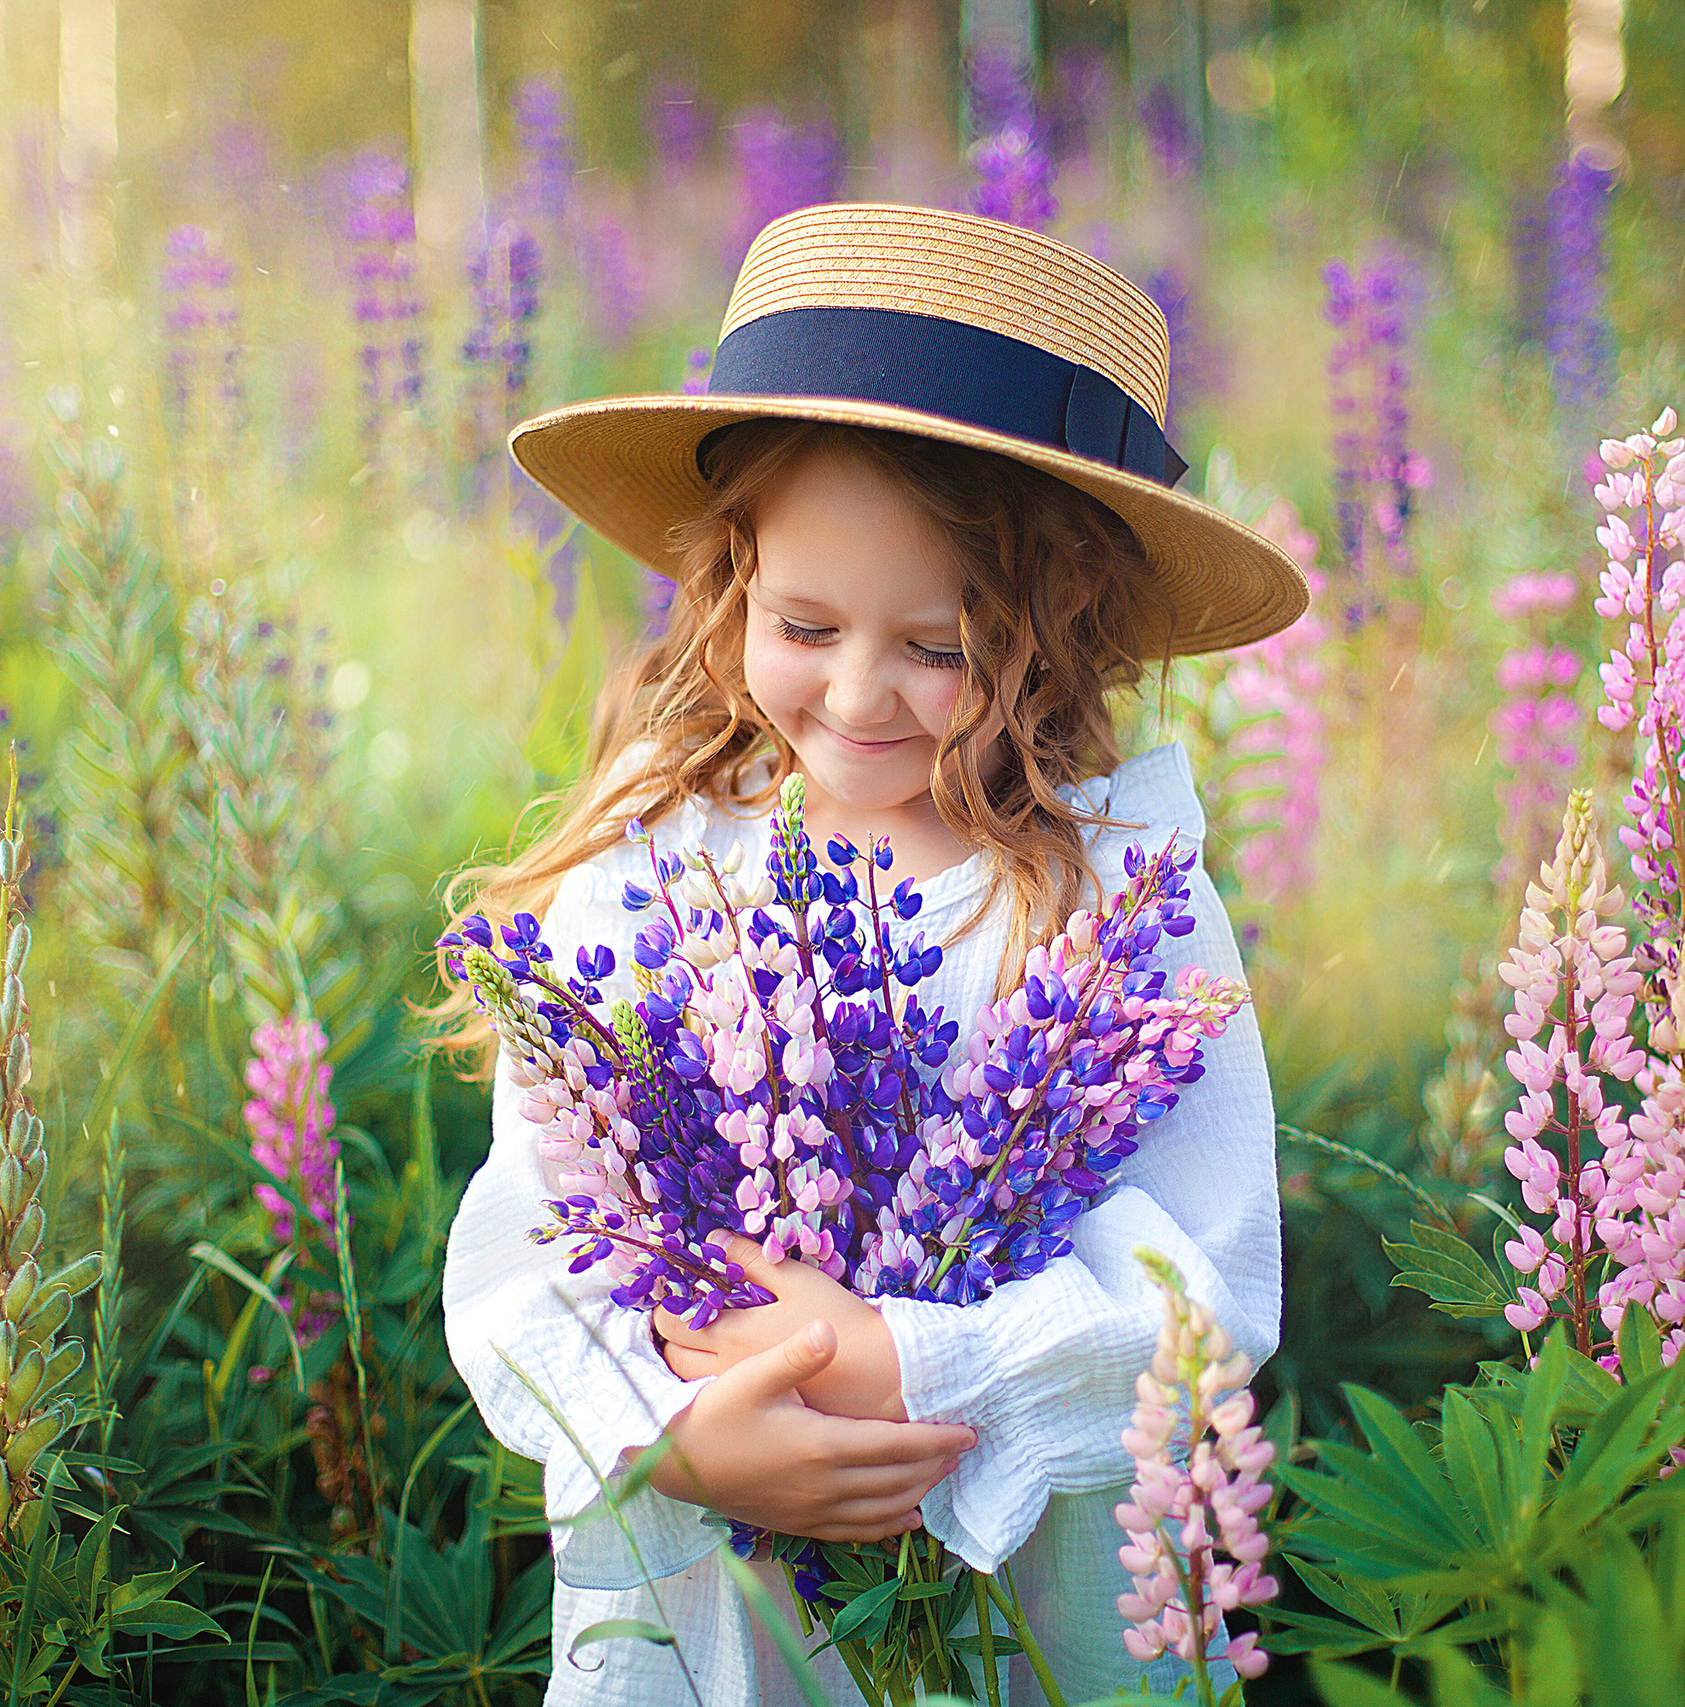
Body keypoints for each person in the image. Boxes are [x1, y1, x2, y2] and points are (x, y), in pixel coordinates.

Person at [437, 203, 1301, 1705]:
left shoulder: (1117, 897)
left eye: (939, 646)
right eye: (804, 621)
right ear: (729, 587)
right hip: (713, 1595)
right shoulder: (657, 860)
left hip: (1023, 1577)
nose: (856, 692)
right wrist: (673, 1433)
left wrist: (919, 1367)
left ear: (1060, 631)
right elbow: (536, 1242)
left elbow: (1204, 1278)